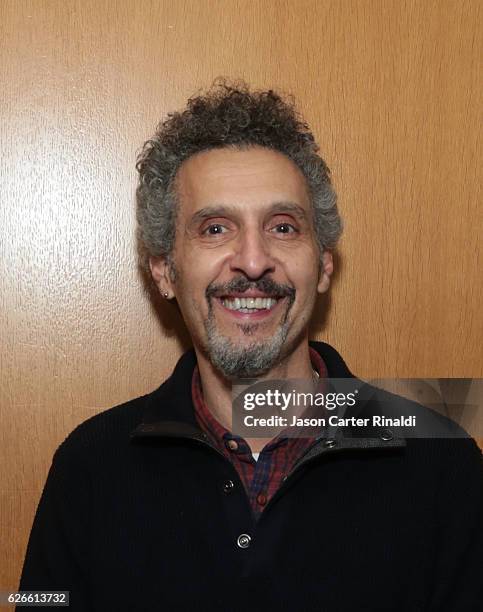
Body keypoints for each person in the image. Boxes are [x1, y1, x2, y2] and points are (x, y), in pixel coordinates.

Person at [19, 79, 482, 611]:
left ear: (323, 265)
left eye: (283, 227)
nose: (254, 261)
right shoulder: (89, 467)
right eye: (215, 229)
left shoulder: (442, 465)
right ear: (165, 270)